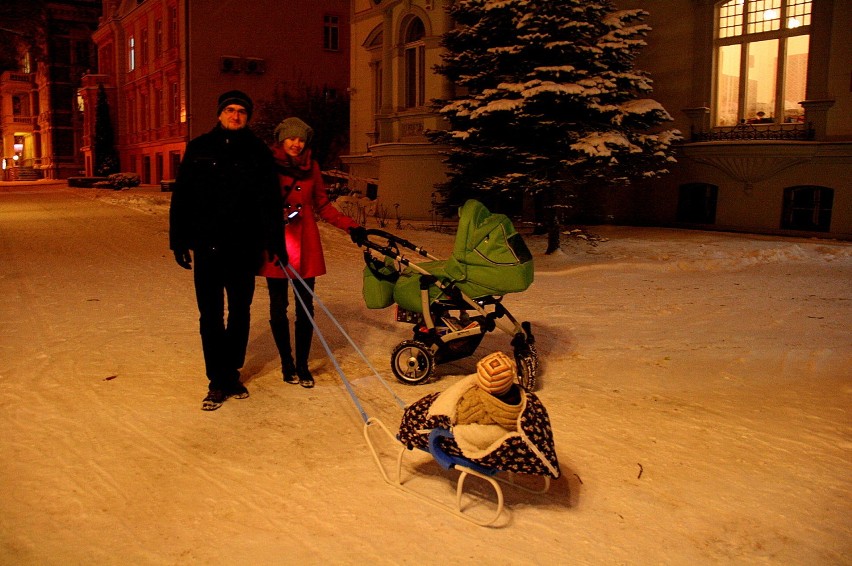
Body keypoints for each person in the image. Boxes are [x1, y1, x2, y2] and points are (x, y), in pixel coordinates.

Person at [170, 90, 284, 411]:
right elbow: (182, 198)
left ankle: (230, 373)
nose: (235, 116)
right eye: (230, 110)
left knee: (240, 312)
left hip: (243, 248)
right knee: (210, 315)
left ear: (247, 117)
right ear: (219, 114)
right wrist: (178, 240)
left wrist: (274, 241)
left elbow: (270, 203)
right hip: (208, 247)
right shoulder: (199, 148)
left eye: (242, 112)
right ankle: (216, 380)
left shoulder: (258, 152)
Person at [259, 117, 367, 388]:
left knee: (305, 308)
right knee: (278, 307)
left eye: (301, 140)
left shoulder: (312, 168)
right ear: (281, 139)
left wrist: (351, 227)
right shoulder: (266, 166)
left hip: (305, 245)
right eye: (291, 138)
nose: (296, 144)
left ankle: (302, 364)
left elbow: (323, 205)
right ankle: (287, 363)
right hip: (276, 244)